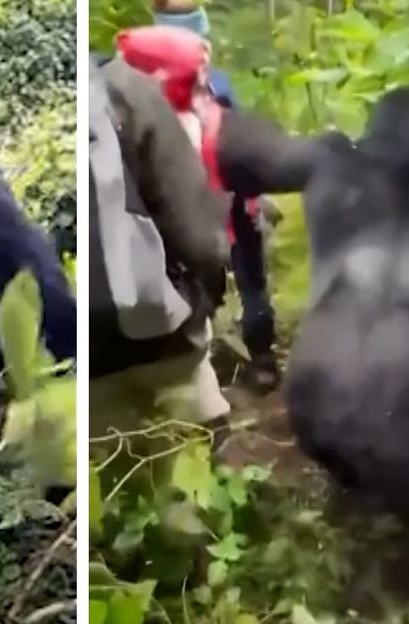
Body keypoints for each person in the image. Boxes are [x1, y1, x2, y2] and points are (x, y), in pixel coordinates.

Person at [87, 56, 233, 453]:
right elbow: (201, 240)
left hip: (88, 371)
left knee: (119, 497)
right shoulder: (124, 87)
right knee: (196, 484)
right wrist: (206, 303)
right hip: (166, 342)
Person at [151, 0, 283, 394]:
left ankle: (204, 372)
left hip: (185, 211)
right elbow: (238, 144)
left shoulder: (144, 89)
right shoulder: (218, 85)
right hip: (235, 201)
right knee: (252, 282)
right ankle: (262, 362)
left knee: (194, 289)